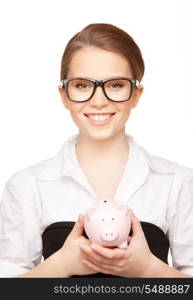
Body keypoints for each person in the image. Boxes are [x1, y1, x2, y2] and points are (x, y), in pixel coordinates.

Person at [0, 23, 193, 278]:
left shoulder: (177, 183)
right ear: (64, 95)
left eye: (115, 85)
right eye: (81, 85)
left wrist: (148, 268)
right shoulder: (27, 186)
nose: (99, 100)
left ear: (136, 94)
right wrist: (61, 266)